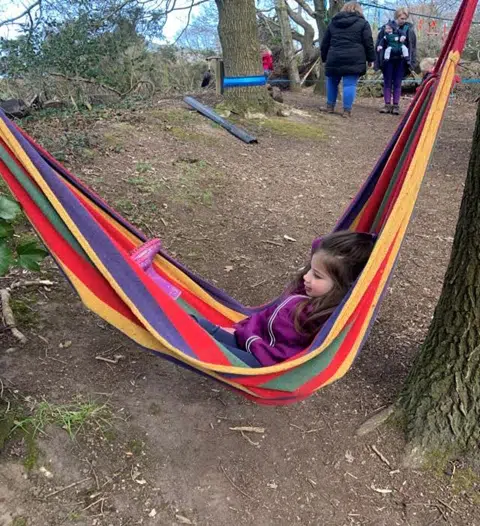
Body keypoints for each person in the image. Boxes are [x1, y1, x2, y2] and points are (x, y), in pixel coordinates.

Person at [195, 231, 376, 367]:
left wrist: (241, 335)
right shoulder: (307, 292)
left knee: (204, 347)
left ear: (343, 287)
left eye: (317, 276)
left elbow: (276, 351)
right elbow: (318, 245)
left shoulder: (320, 316)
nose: (306, 277)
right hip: (247, 338)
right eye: (310, 270)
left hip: (261, 363)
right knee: (190, 324)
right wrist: (239, 330)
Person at [320, 2, 375, 118]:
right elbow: (368, 42)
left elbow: (325, 42)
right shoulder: (363, 23)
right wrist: (371, 59)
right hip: (354, 57)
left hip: (334, 56)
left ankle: (330, 107)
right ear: (359, 11)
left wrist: (324, 57)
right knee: (349, 84)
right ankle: (346, 110)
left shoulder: (333, 22)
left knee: (332, 82)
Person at [376, 7, 417, 115]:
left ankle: (396, 105)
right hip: (388, 60)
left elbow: (412, 46)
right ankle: (387, 104)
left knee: (398, 83)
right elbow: (380, 43)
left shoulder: (408, 29)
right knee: (387, 82)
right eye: (401, 18)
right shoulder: (386, 28)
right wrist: (378, 61)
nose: (403, 20)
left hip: (401, 61)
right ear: (396, 17)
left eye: (405, 18)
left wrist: (411, 62)